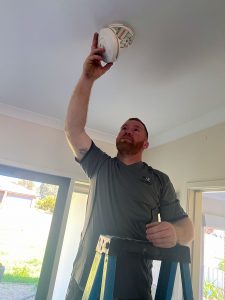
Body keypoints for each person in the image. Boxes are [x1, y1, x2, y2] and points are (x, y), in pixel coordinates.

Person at [64, 32, 194, 300]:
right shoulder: (100, 166)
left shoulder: (159, 180)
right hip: (85, 284)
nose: (127, 130)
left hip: (135, 290)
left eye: (136, 129)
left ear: (146, 143)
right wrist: (87, 79)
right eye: (124, 127)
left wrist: (175, 233)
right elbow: (73, 129)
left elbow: (186, 228)